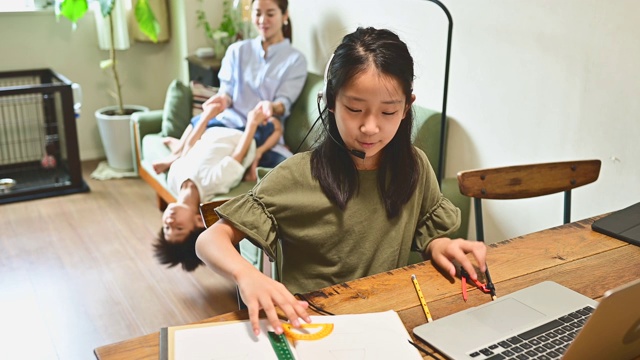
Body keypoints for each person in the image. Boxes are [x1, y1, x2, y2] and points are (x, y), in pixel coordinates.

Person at [195, 27, 488, 336]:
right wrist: (247, 275)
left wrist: (442, 245)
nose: (370, 127)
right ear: (331, 101)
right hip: (312, 328)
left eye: (388, 111)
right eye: (355, 109)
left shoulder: (414, 167)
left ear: (406, 107)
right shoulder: (296, 175)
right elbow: (209, 240)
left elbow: (428, 235)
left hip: (386, 324)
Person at [152, 0, 307, 176]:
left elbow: (284, 102)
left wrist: (271, 107)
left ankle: (179, 152)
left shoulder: (295, 60)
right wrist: (222, 99)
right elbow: (226, 91)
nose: (263, 20)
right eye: (257, 13)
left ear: (284, 16)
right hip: (228, 120)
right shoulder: (237, 50)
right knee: (202, 121)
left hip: (258, 128)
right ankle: (177, 155)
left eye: (270, 14)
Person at [153, 107, 275, 271]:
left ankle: (174, 149)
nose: (170, 221)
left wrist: (206, 116)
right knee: (273, 121)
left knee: (209, 109)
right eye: (179, 228)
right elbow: (238, 153)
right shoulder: (213, 183)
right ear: (197, 220)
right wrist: (252, 123)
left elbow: (188, 148)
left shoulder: (173, 180)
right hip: (239, 131)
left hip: (214, 127)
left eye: (167, 228)